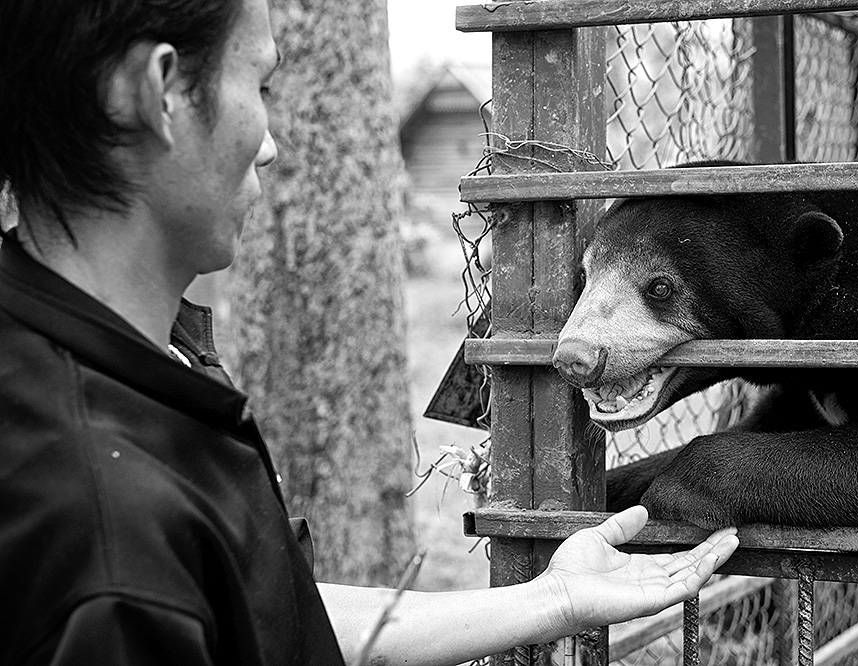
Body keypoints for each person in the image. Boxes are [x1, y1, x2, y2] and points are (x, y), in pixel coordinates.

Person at [0, 0, 740, 664]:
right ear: (162, 93)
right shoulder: (107, 531)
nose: (271, 145)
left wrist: (554, 600)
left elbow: (264, 619)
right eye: (260, 87)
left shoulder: (129, 363)